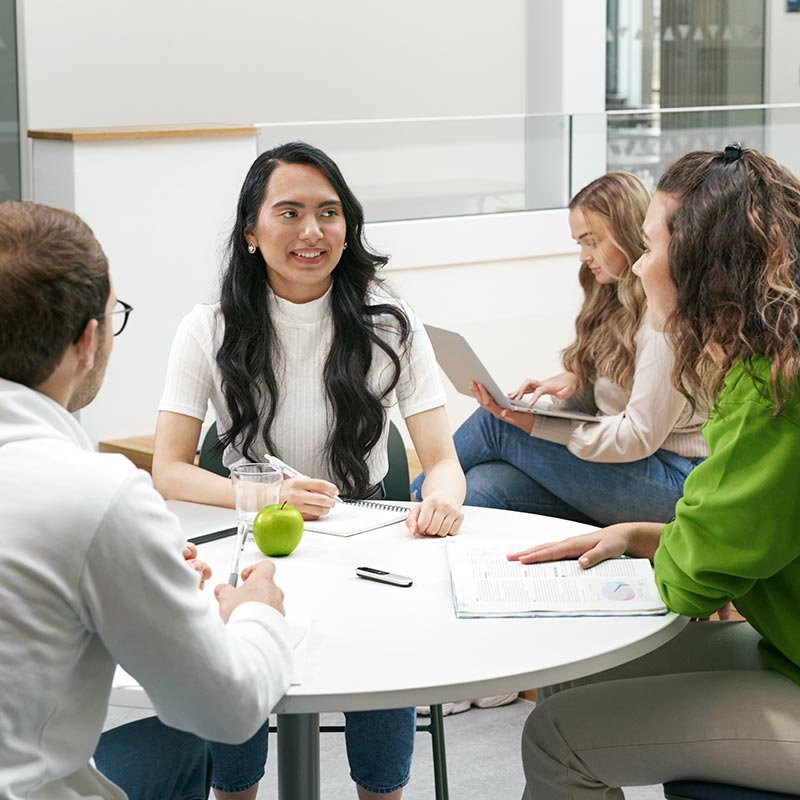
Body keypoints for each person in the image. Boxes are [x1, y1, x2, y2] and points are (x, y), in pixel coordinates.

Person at [151, 141, 466, 800]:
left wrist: (440, 498)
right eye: (289, 212)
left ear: (348, 227)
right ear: (250, 230)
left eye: (329, 213)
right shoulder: (205, 329)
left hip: (368, 549)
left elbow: (443, 462)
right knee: (231, 705)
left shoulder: (392, 323)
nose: (312, 231)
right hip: (251, 546)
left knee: (383, 669)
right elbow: (169, 471)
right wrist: (265, 491)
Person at [516, 145, 800, 797]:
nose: (638, 269)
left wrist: (658, 550)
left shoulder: (771, 395)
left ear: (704, 267)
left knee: (555, 738)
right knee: (570, 673)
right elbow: (717, 528)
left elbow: (696, 580)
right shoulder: (768, 366)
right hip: (787, 648)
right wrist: (642, 535)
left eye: (645, 249)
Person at [0, 201, 293, 800]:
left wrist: (138, 565)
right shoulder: (96, 494)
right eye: (114, 318)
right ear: (87, 341)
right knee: (187, 739)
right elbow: (229, 710)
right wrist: (258, 610)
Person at [412, 172, 708, 526]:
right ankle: (433, 535)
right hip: (633, 470)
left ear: (628, 234)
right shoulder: (616, 303)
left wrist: (540, 425)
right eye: (579, 243)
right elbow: (614, 402)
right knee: (482, 486)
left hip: (675, 482)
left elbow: (638, 436)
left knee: (497, 426)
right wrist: (574, 387)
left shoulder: (661, 320)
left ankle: (401, 507)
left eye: (592, 241)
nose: (584, 256)